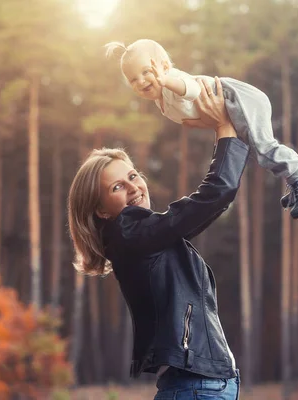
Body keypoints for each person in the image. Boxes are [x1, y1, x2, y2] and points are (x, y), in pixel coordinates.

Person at [68, 77, 246, 399]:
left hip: (204, 385)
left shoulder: (143, 237)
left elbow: (202, 210)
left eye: (132, 175)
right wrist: (224, 130)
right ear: (101, 211)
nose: (134, 186)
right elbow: (216, 194)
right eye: (117, 187)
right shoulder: (129, 232)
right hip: (197, 387)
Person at [104, 38, 298, 219]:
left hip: (236, 97)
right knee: (255, 147)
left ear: (164, 67)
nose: (141, 81)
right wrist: (220, 128)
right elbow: (194, 121)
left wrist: (165, 80)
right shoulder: (162, 102)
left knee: (263, 147)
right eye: (133, 79)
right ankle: (297, 178)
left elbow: (191, 90)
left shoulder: (173, 80)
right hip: (229, 108)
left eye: (146, 72)